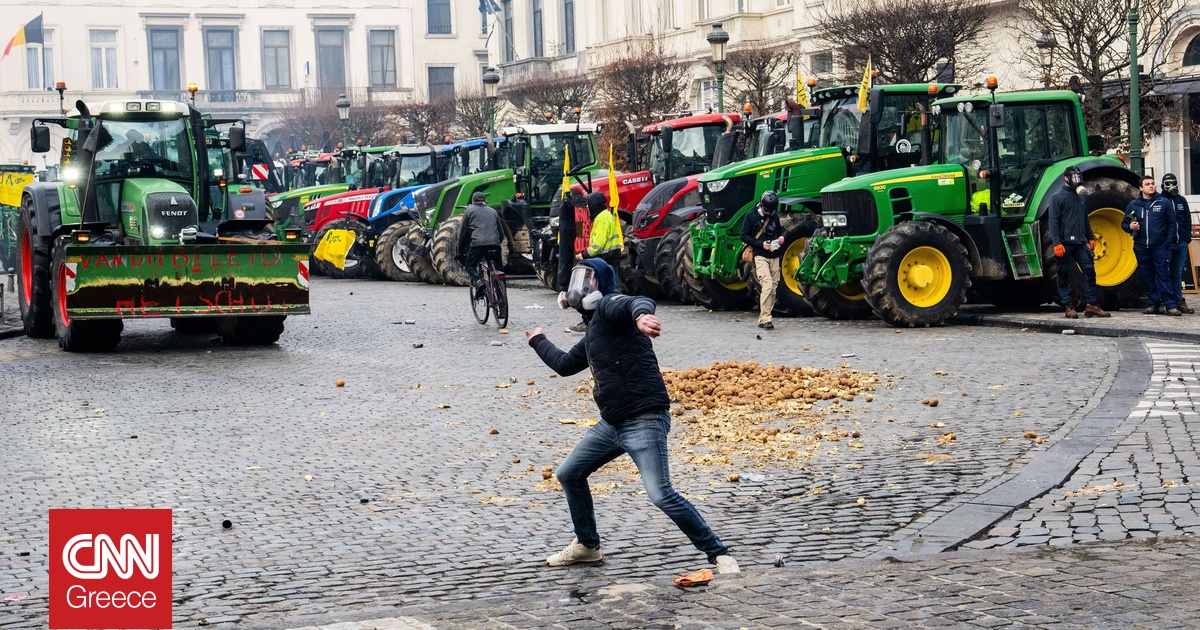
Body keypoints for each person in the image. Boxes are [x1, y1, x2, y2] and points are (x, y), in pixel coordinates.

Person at [524, 259, 740, 574]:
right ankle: (587, 546)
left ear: (601, 284)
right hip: (612, 423)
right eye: (578, 278)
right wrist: (538, 341)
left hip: (644, 419)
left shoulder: (609, 305)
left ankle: (718, 554)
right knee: (569, 474)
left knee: (660, 494)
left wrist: (641, 316)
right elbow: (565, 365)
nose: (580, 286)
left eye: (588, 278)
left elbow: (634, 302)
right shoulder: (594, 329)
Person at [1047, 166, 1110, 319]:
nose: (1078, 180)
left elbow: (1085, 219)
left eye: (1079, 177)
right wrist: (1056, 243)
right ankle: (1068, 306)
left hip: (1081, 243)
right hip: (1064, 243)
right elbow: (1053, 222)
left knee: (1089, 271)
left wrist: (1091, 237)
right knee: (1063, 273)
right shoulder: (1057, 197)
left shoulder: (1080, 197)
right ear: (1066, 178)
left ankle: (1092, 305)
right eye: (1074, 177)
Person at [1124, 175, 1180, 315]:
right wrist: (1130, 226)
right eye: (1147, 184)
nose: (1151, 186)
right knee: (1147, 276)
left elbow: (1172, 224)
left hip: (1160, 246)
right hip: (1141, 246)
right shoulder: (1133, 205)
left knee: (1164, 275)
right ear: (1141, 188)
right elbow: (1124, 224)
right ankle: (1153, 303)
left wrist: (1167, 243)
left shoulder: (1164, 203)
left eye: (1153, 183)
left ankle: (1170, 305)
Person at [741, 190, 785, 330]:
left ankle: (764, 317)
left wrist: (781, 237)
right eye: (767, 211)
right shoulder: (751, 215)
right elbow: (744, 236)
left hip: (774, 255)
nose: (769, 214)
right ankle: (766, 319)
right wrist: (761, 244)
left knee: (773, 287)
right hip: (760, 255)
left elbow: (780, 230)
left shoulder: (774, 216)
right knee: (767, 284)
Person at [457, 191, 506, 299]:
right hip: (494, 244)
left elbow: (462, 234)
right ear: (485, 200)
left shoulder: (469, 211)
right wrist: (496, 243)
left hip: (477, 244)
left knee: (469, 265)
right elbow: (501, 233)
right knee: (499, 271)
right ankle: (502, 301)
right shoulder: (493, 211)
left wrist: (459, 250)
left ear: (473, 201)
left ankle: (479, 282)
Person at [1162, 173, 1194, 314]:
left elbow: (1187, 219)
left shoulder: (1181, 200)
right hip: (1167, 244)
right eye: (1168, 183)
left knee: (1177, 273)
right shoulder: (1160, 200)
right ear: (1163, 185)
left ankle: (1179, 300)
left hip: (1181, 243)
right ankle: (1167, 301)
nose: (1171, 186)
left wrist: (1187, 238)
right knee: (1164, 273)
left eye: (1173, 183)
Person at [584, 191, 623, 268]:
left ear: (594, 204)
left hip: (606, 259)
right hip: (612, 257)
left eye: (588, 203)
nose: (587, 206)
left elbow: (597, 246)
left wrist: (585, 255)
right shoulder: (606, 215)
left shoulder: (601, 219)